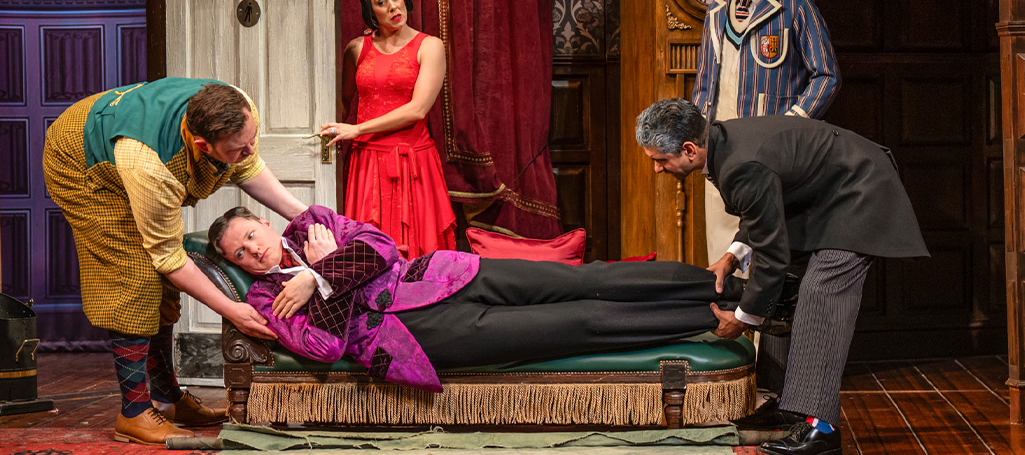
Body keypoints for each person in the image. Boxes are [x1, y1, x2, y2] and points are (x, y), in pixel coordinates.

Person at [206, 204, 770, 392]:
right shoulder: (265, 300)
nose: (253, 254)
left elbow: (380, 247)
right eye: (239, 255)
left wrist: (322, 279)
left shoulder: (312, 224)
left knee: (584, 279)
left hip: (446, 275)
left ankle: (735, 290)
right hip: (418, 340)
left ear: (261, 222)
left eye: (250, 236)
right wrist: (327, 275)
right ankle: (709, 316)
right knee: (580, 323)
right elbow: (327, 348)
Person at [636, 98, 929, 455]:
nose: (657, 169)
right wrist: (733, 255)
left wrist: (742, 320)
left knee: (822, 293)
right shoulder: (723, 145)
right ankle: (786, 407)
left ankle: (821, 431)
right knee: (787, 287)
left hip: (859, 192)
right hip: (826, 198)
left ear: (689, 149)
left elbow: (772, 254)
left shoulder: (739, 164)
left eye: (660, 160)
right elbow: (762, 206)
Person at [44, 78, 307, 446]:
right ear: (203, 145)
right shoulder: (150, 165)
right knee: (136, 278)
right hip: (81, 163)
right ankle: (133, 412)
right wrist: (233, 310)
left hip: (123, 145)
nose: (249, 149)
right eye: (237, 148)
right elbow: (168, 258)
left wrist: (308, 218)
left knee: (161, 289)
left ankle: (169, 399)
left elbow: (248, 168)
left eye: (252, 139)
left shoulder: (238, 105)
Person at [692, 0, 841, 416]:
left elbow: (825, 77)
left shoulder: (796, 6)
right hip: (721, 156)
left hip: (771, 158)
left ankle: (770, 387)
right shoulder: (715, 13)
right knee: (724, 258)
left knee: (767, 257)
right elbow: (703, 86)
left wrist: (789, 131)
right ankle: (731, 376)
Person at [321, 0, 455, 260]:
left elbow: (418, 109)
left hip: (411, 165)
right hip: (366, 163)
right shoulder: (357, 49)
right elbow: (341, 106)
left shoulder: (429, 46)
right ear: (371, 12)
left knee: (417, 256)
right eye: (381, 2)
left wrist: (357, 129)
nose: (393, 6)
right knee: (365, 254)